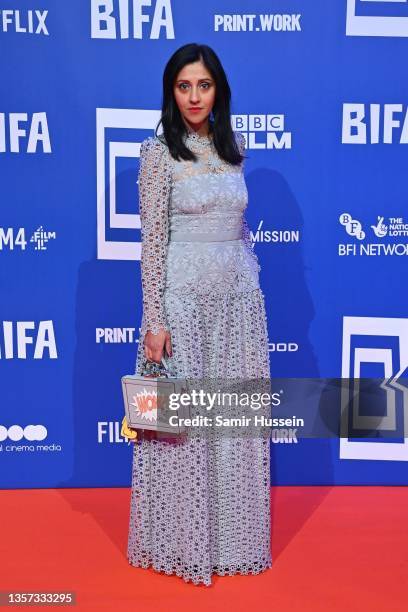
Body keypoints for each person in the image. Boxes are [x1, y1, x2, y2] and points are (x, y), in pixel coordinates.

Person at [127, 42, 272, 587]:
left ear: (218, 91)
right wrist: (154, 320)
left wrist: (247, 283)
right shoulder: (158, 151)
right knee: (183, 433)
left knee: (232, 427)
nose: (193, 96)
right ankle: (182, 542)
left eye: (203, 85)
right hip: (183, 307)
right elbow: (152, 244)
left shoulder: (235, 146)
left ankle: (233, 542)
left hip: (237, 306)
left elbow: (237, 227)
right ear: (171, 90)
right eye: (184, 86)